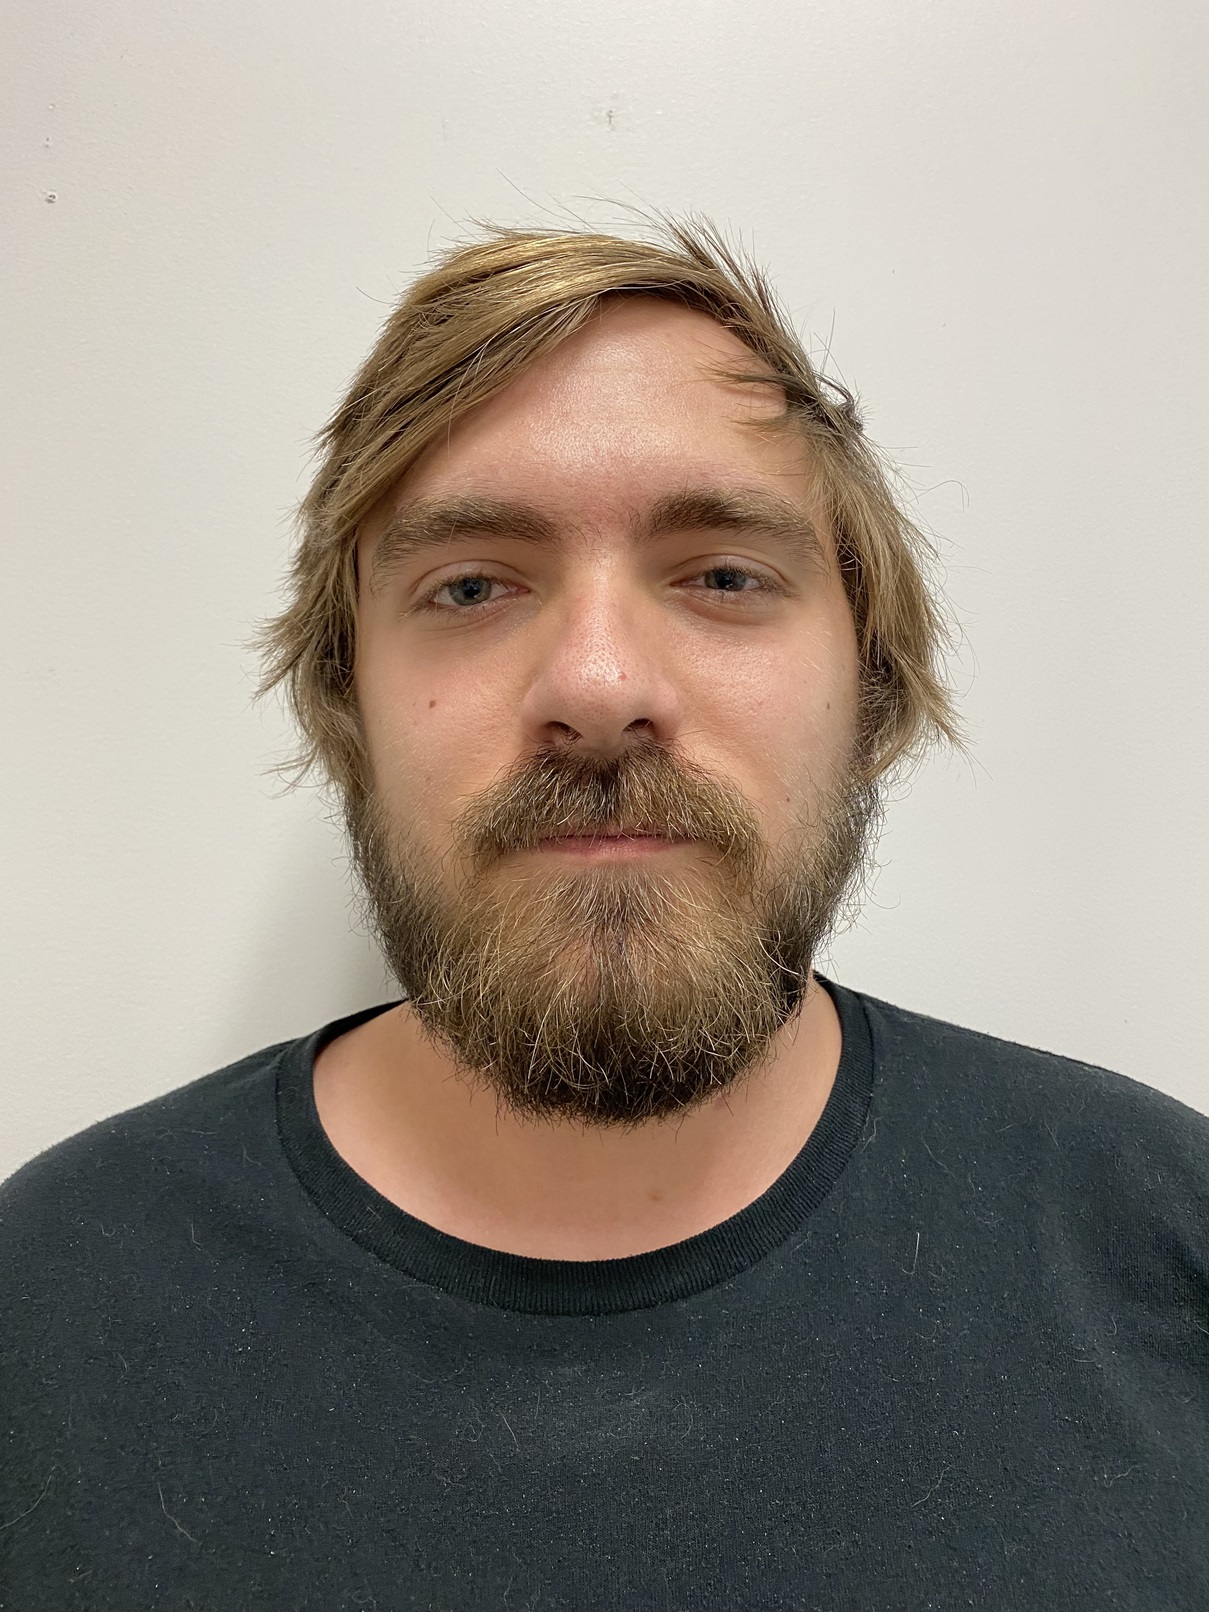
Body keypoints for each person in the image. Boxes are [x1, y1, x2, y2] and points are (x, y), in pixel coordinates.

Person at [1, 221, 1205, 1612]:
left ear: (869, 681)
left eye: (722, 575)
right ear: (349, 703)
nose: (596, 684)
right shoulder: (45, 1309)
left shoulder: (1164, 1245)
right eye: (470, 585)